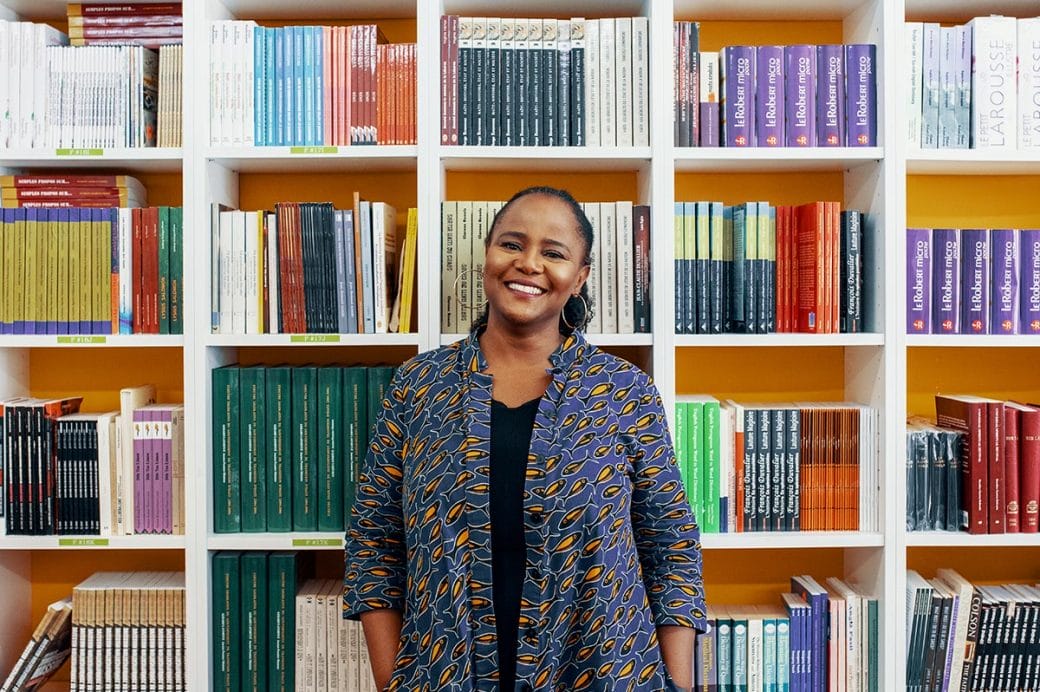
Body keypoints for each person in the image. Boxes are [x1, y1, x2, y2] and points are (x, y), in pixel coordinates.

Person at [344, 186, 707, 691]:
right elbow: (374, 545)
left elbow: (670, 548)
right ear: (486, 258)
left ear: (578, 278)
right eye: (511, 244)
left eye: (553, 253)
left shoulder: (625, 392)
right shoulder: (417, 387)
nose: (528, 263)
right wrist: (394, 681)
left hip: (604, 673)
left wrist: (679, 684)